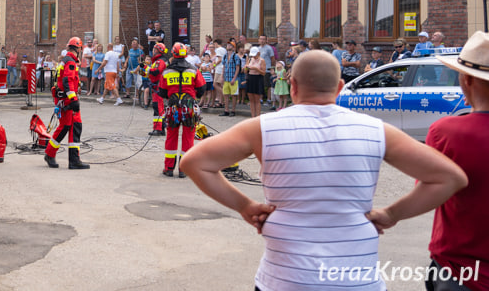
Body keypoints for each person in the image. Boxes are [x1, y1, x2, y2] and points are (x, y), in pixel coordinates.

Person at [180, 50, 467, 291]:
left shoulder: (262, 128)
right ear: (340, 87)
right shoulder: (376, 130)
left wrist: (245, 206)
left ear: (291, 86)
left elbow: (194, 162)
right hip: (358, 279)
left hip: (285, 278)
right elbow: (449, 177)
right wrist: (392, 214)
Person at [421, 31, 489, 290]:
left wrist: (390, 214)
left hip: (460, 270)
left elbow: (428, 191)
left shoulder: (446, 132)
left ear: (466, 79)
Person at [157, 42, 205, 178]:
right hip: (189, 109)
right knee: (188, 138)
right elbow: (202, 88)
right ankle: (184, 169)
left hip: (173, 109)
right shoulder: (193, 70)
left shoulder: (167, 71)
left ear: (173, 53)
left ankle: (168, 168)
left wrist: (171, 95)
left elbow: (161, 92)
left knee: (171, 137)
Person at [44, 37, 90, 169]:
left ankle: (73, 160)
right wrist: (73, 99)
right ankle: (50, 154)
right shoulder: (70, 62)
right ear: (78, 49)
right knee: (65, 127)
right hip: (68, 101)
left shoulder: (65, 61)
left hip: (64, 100)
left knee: (74, 127)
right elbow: (67, 81)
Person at [147, 42, 168, 135]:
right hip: (157, 87)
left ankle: (158, 129)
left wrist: (147, 69)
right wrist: (144, 70)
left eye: (154, 49)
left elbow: (156, 72)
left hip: (158, 88)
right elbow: (152, 74)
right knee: (160, 108)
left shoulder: (160, 61)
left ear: (157, 50)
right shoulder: (158, 61)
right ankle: (161, 128)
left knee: (158, 108)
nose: (152, 50)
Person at [245, 46, 266, 117]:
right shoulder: (250, 59)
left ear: (258, 53)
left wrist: (256, 69)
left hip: (258, 78)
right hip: (250, 78)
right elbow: (246, 70)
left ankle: (258, 116)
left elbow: (263, 72)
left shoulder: (262, 60)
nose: (254, 56)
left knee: (257, 99)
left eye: (255, 55)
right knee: (251, 98)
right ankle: (252, 116)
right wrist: (246, 68)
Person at [221, 41, 241, 116]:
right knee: (225, 94)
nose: (228, 46)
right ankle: (226, 110)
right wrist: (222, 77)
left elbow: (237, 68)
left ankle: (233, 110)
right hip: (226, 78)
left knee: (233, 95)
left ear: (233, 47)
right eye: (228, 44)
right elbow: (223, 67)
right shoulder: (225, 56)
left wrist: (234, 78)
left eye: (230, 45)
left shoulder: (235, 56)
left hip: (233, 78)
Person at [127, 38, 144, 102]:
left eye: (135, 44)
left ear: (137, 45)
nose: (134, 45)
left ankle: (137, 95)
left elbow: (142, 57)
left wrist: (140, 59)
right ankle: (128, 93)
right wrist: (126, 63)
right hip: (129, 68)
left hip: (136, 68)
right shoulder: (130, 50)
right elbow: (128, 57)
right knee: (128, 80)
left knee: (137, 82)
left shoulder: (140, 51)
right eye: (133, 43)